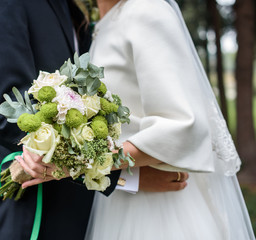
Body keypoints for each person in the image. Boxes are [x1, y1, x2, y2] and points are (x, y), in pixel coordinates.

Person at [0, 0, 189, 239]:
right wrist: (119, 175)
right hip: (35, 214)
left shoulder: (66, 7)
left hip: (85, 213)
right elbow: (11, 119)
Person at [79, 0, 254, 239]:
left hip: (162, 210)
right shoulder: (100, 24)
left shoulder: (147, 10)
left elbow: (180, 126)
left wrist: (82, 163)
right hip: (122, 201)